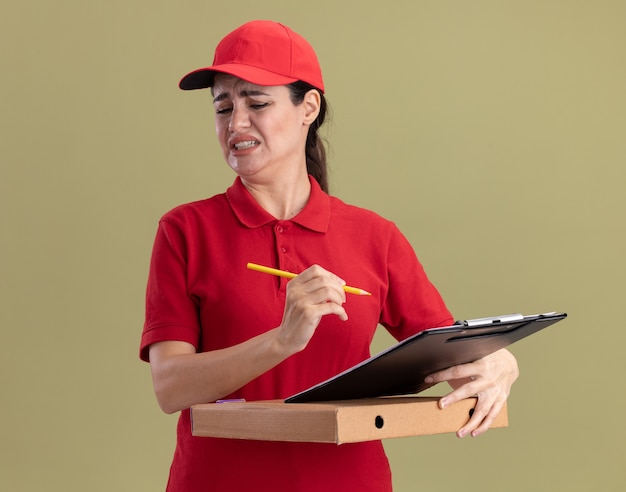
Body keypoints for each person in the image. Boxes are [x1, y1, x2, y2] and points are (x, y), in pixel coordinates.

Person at [140, 20, 519, 492]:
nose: (236, 123)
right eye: (223, 107)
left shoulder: (374, 236)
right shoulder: (185, 231)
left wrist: (496, 360)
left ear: (309, 107)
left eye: (256, 103)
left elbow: (443, 353)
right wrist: (281, 340)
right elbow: (170, 386)